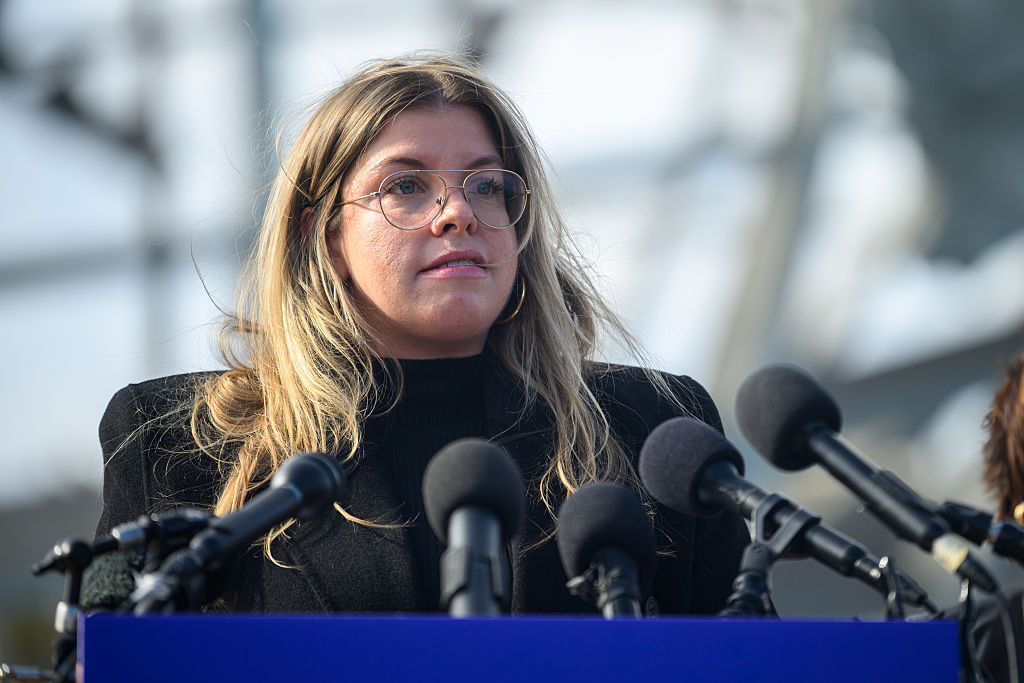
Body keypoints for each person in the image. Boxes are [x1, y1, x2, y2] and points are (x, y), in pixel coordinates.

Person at [82, 53, 748, 615]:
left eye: (488, 186)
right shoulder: (178, 442)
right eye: (405, 185)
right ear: (324, 236)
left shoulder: (657, 430)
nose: (459, 211)